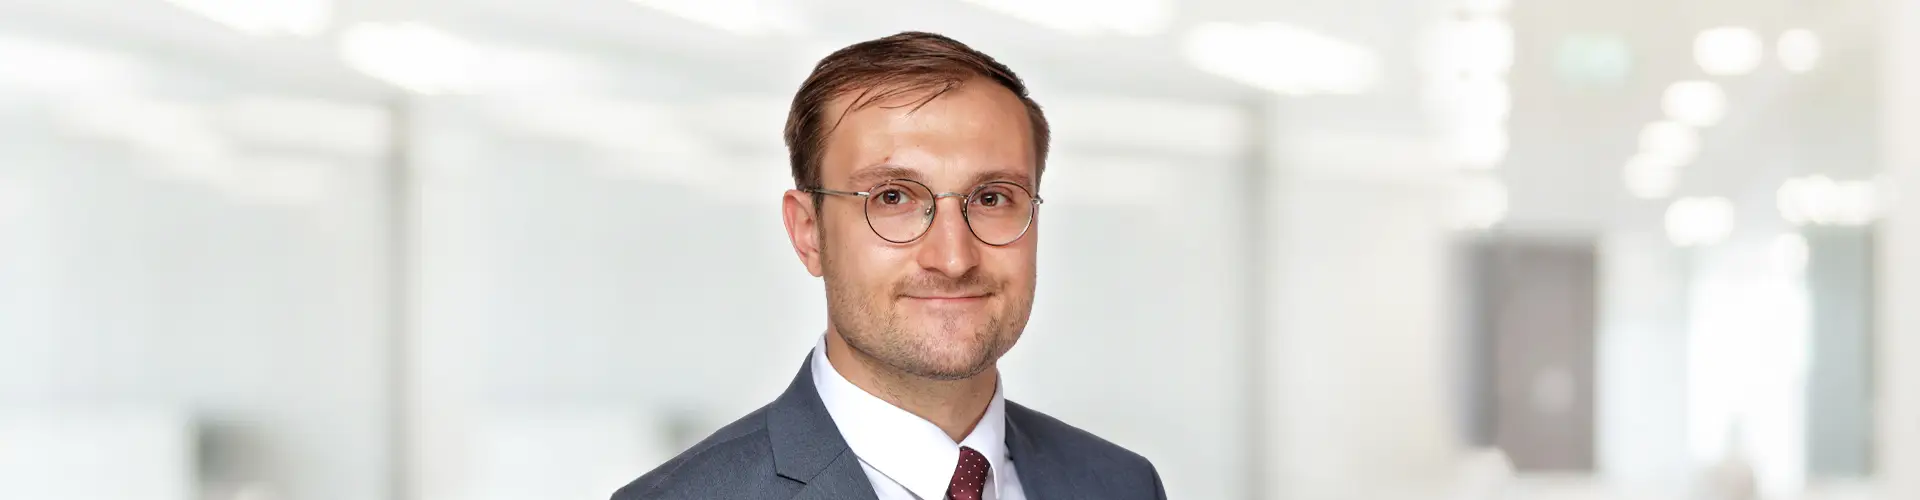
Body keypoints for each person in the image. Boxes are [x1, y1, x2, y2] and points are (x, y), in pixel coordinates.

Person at [611, 31, 1166, 500]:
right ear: (808, 232)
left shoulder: (1121, 484)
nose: (953, 258)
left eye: (992, 198)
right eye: (893, 198)